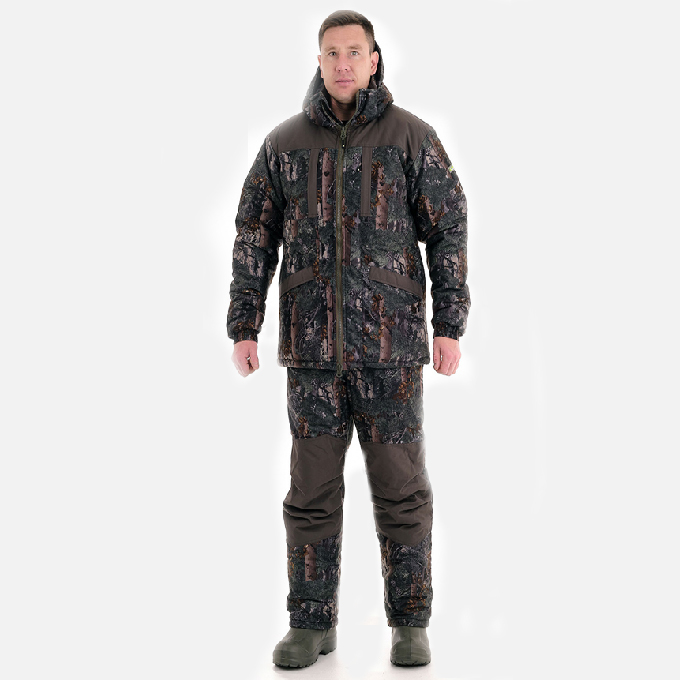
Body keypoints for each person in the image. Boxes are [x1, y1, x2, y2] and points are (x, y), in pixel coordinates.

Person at [227, 9, 470, 668]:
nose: (342, 63)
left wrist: (449, 324)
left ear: (373, 59)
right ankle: (311, 624)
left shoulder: (412, 137)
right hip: (312, 356)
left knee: (401, 490)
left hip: (391, 353)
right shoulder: (284, 144)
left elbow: (447, 226)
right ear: (319, 60)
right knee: (309, 493)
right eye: (331, 53)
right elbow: (254, 234)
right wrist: (244, 324)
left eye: (353, 52)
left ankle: (409, 622)